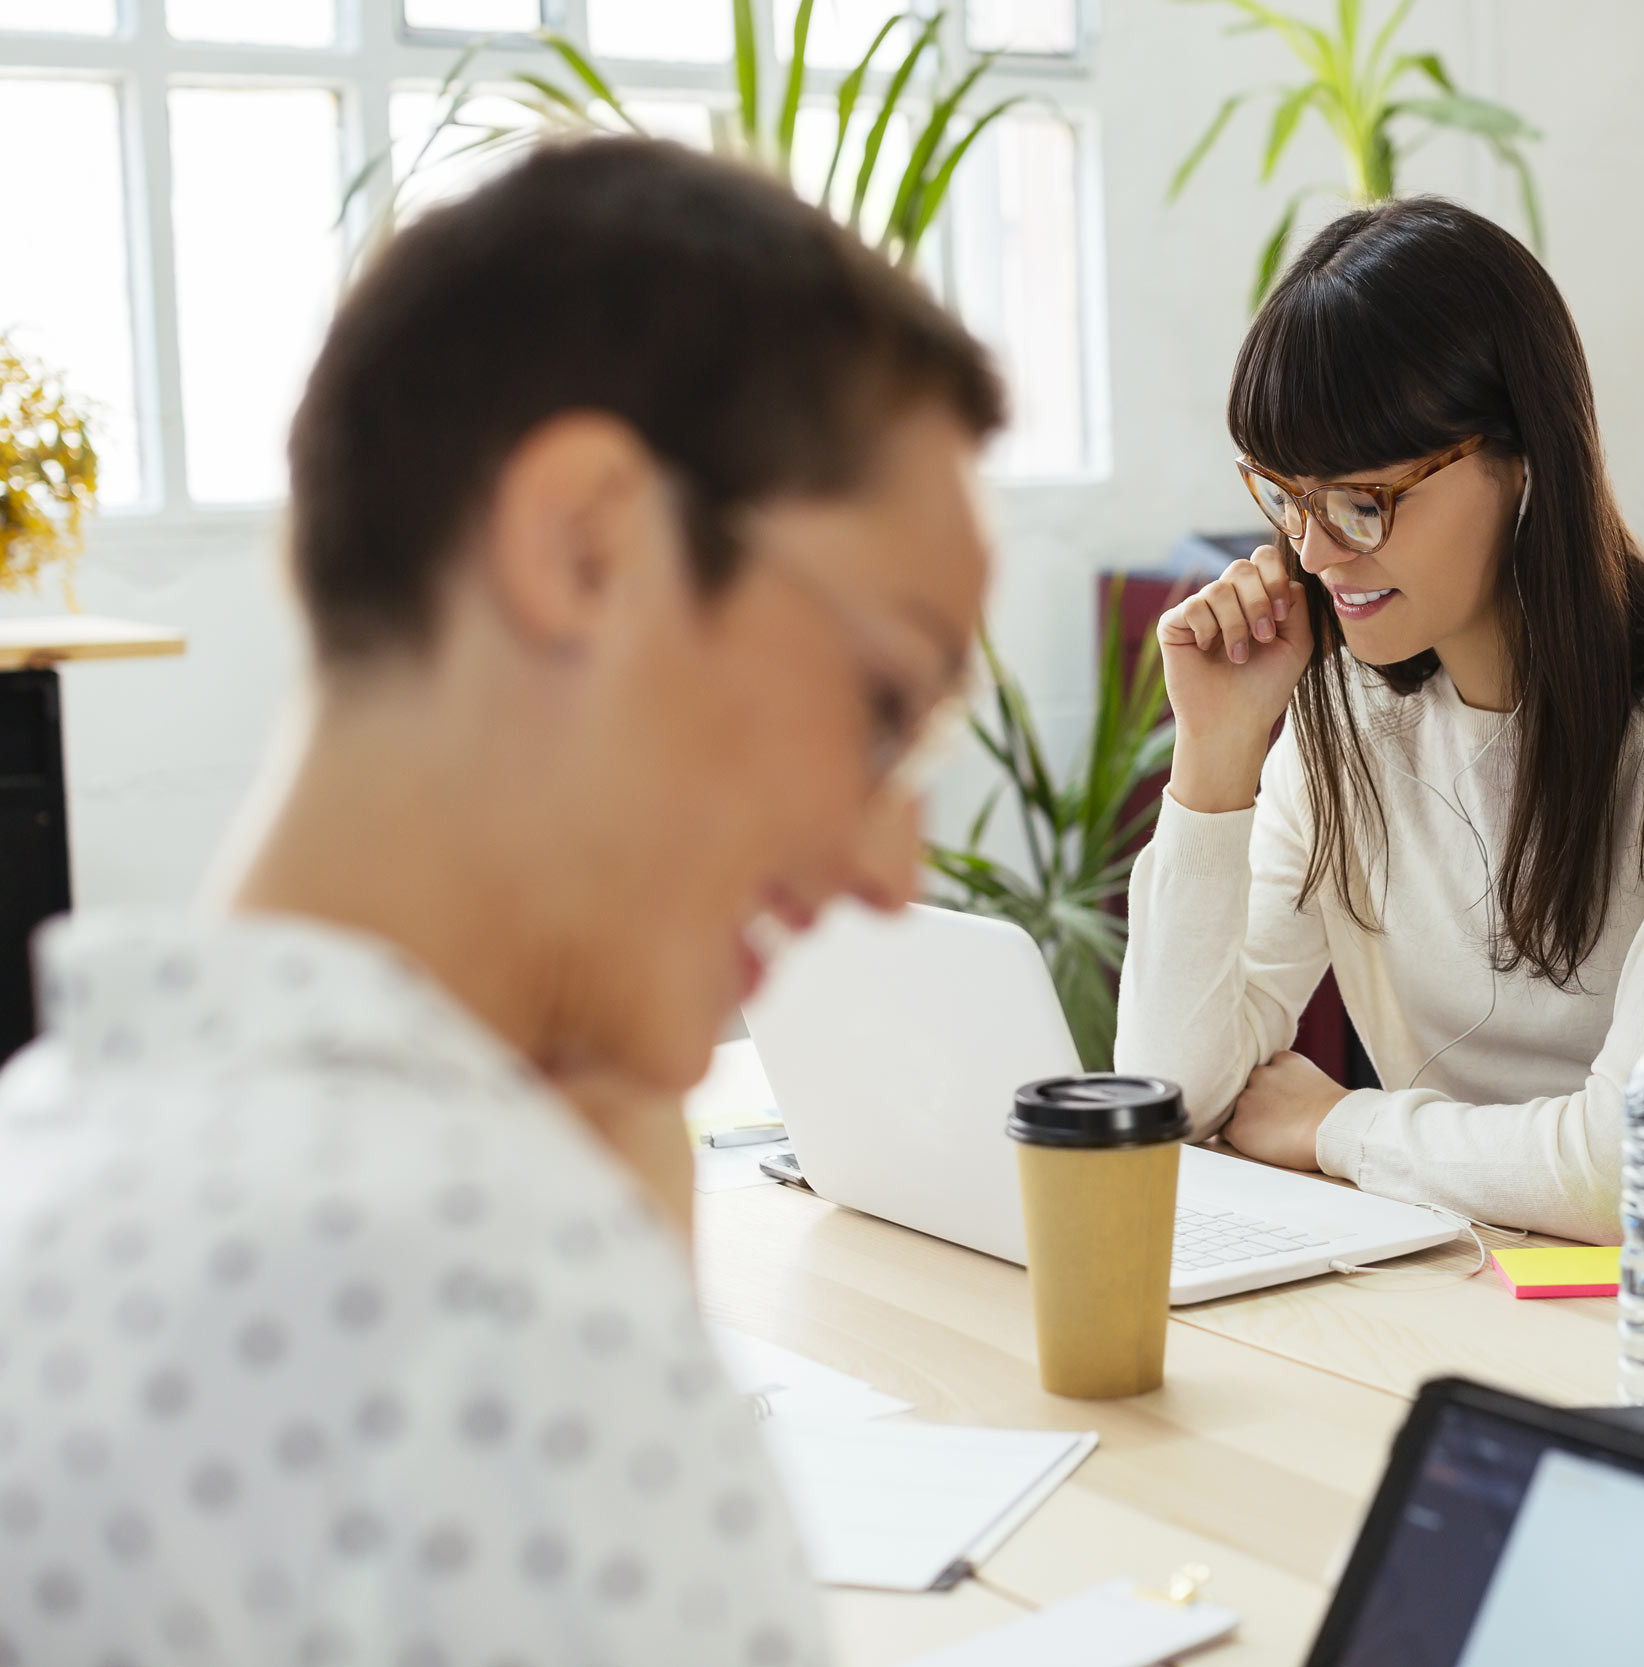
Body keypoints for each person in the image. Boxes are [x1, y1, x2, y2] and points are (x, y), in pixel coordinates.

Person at [0, 137, 1000, 1665]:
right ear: (589, 544)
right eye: (883, 702)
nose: (891, 866)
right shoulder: (484, 1321)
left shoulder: (56, 1144)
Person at [1114, 198, 1644, 1283]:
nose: (1317, 551)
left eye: (1364, 501)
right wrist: (1215, 757)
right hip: (1466, 1249)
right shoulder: (1348, 712)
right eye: (1285, 497)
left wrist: (1338, 1129)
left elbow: (1635, 1163)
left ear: (1521, 459)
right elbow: (1170, 1098)